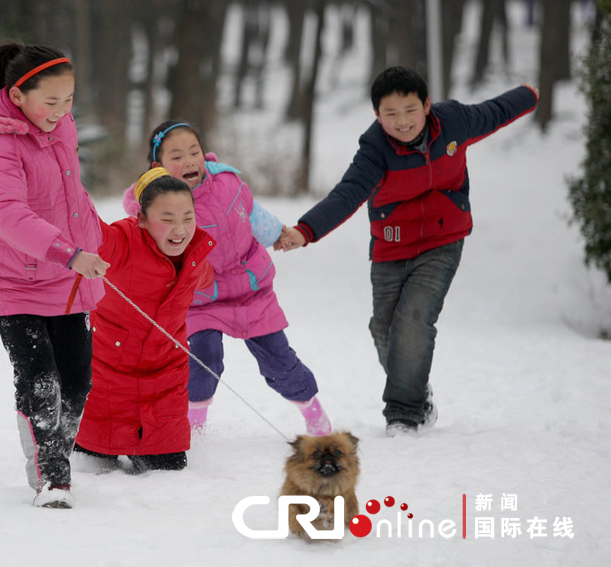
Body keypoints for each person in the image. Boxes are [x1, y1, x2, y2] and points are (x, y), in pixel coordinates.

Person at [275, 66, 539, 437]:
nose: (402, 122)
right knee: (384, 329)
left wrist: (530, 93)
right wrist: (306, 230)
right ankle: (416, 391)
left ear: (427, 105)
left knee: (414, 320)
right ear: (377, 115)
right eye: (390, 114)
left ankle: (404, 414)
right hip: (392, 244)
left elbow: (495, 112)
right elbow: (347, 193)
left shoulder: (453, 122)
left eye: (410, 110)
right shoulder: (375, 149)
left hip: (443, 240)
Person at [0, 41, 110, 508]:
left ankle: (57, 454)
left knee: (77, 380)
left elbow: (69, 195)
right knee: (40, 379)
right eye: (51, 101)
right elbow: (7, 213)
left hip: (67, 277)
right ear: (18, 95)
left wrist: (94, 240)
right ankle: (51, 478)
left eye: (68, 101)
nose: (62, 111)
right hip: (15, 281)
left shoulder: (58, 125)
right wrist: (68, 252)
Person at [122, 121, 332, 437]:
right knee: (203, 360)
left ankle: (311, 410)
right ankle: (194, 424)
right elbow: (149, 247)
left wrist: (276, 233)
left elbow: (251, 213)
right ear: (159, 167)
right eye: (177, 156)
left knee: (279, 360)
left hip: (252, 290)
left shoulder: (228, 182)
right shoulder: (158, 207)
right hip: (201, 300)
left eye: (194, 152)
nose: (189, 161)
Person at [74, 168, 215, 472]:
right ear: (141, 218)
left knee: (169, 472)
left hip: (166, 382)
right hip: (109, 378)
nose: (179, 230)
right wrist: (64, 173)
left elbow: (204, 277)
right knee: (94, 467)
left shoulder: (194, 254)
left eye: (187, 218)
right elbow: (87, 227)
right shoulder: (121, 241)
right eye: (167, 220)